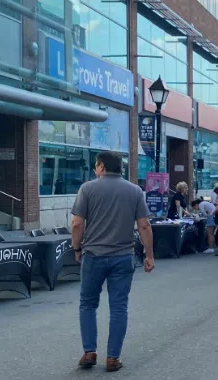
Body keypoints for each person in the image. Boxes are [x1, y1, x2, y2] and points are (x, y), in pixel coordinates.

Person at [71, 151, 154, 372]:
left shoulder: (87, 189)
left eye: (95, 166)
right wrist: (149, 255)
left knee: (88, 304)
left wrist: (76, 248)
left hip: (93, 256)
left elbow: (77, 224)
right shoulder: (135, 191)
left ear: (100, 166)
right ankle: (113, 358)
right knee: (119, 307)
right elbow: (144, 225)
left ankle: (89, 352)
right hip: (122, 257)